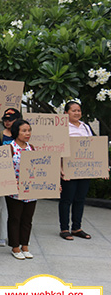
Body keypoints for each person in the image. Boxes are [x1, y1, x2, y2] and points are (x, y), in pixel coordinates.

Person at [59, 101, 95, 241]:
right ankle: (64, 228)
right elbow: (58, 148)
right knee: (66, 199)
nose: (77, 113)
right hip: (68, 168)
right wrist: (60, 168)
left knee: (80, 199)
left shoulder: (85, 127)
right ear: (66, 113)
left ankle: (76, 227)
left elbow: (93, 147)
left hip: (84, 169)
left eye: (79, 110)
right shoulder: (62, 128)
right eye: (73, 110)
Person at [7, 120, 37, 260]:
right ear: (16, 132)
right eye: (24, 131)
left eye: (29, 130)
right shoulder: (10, 148)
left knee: (27, 219)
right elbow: (4, 169)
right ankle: (15, 246)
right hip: (15, 190)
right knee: (15, 218)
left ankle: (25, 245)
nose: (27, 133)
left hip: (31, 190)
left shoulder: (31, 148)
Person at [0, 108, 22, 248]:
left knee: (13, 208)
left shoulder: (21, 135)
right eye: (5, 119)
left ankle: (9, 235)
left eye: (10, 119)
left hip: (18, 175)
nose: (7, 122)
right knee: (0, 206)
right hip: (2, 174)